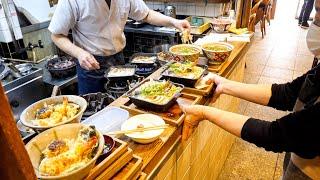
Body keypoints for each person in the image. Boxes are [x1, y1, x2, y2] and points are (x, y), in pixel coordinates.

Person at [181, 0, 320, 179]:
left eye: (319, 12)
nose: (315, 20)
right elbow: (287, 95)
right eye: (316, 11)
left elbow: (275, 135)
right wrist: (225, 85)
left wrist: (204, 112)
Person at [48, 0, 190, 95]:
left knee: (121, 104)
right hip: (90, 65)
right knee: (94, 115)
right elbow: (56, 35)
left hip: (118, 61)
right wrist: (79, 53)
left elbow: (146, 14)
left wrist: (174, 22)